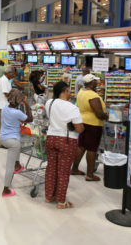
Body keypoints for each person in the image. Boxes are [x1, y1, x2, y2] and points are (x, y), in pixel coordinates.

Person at [45, 81, 84, 209]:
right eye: (69, 90)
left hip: (51, 138)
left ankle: (49, 196)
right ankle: (61, 201)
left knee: (51, 168)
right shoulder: (72, 108)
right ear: (66, 91)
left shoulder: (49, 103)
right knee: (63, 171)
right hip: (66, 140)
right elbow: (79, 129)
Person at [72, 74, 108, 181]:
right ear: (91, 83)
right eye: (95, 81)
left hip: (82, 121)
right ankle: (90, 174)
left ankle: (74, 169)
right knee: (92, 149)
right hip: (93, 125)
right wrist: (106, 116)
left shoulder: (81, 92)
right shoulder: (93, 96)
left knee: (81, 146)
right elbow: (99, 113)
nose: (97, 83)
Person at [0, 89, 33, 197]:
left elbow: (13, 120)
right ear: (19, 101)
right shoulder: (17, 112)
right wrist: (27, 104)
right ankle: (6, 190)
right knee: (10, 165)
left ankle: (17, 164)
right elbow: (30, 119)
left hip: (3, 138)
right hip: (12, 141)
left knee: (17, 140)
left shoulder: (5, 108)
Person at [0, 66, 16, 147]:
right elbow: (6, 93)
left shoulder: (6, 80)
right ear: (9, 73)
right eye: (13, 73)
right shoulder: (4, 80)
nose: (14, 75)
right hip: (3, 106)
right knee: (3, 126)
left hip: (5, 105)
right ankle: (2, 143)